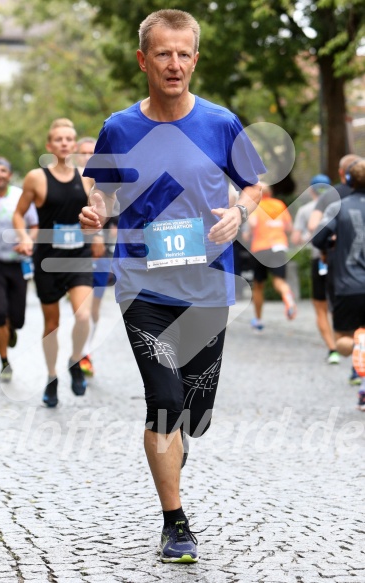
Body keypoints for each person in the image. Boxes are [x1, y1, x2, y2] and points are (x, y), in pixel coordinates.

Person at [79, 9, 265, 564]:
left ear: (195, 60)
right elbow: (102, 188)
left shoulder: (220, 123)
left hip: (208, 288)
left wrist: (239, 213)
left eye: (184, 53)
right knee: (163, 402)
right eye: (163, 53)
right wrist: (96, 210)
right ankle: (175, 522)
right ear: (144, 60)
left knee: (194, 413)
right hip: (144, 288)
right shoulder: (120, 127)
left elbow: (253, 184)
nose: (174, 64)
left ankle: (177, 443)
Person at [13, 118, 96, 407]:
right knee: (52, 325)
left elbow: (96, 214)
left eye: (68, 139)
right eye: (58, 139)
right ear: (49, 145)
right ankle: (51, 377)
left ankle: (75, 360)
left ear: (74, 145)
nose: (64, 143)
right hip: (48, 259)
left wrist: (96, 228)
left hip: (78, 257)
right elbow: (18, 214)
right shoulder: (36, 178)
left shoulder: (87, 177)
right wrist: (23, 237)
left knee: (83, 316)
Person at [0, 157, 38, 381]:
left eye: (3, 170)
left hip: (18, 263)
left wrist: (29, 241)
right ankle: (4, 361)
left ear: (9, 175)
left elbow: (34, 224)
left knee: (18, 319)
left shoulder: (20, 197)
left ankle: (11, 328)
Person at [312, 158, 365, 410]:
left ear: (347, 180)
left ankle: (359, 346)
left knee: (344, 340)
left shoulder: (340, 207)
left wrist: (331, 244)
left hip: (347, 285)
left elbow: (318, 239)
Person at [75, 137, 117, 377]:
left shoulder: (108, 183)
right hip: (74, 253)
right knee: (80, 306)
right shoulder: (71, 182)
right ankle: (79, 350)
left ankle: (86, 351)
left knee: (94, 307)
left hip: (101, 254)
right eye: (83, 153)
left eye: (92, 153)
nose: (87, 157)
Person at [291, 174, 340, 364]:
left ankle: (332, 349)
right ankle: (345, 341)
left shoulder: (305, 210)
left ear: (310, 190)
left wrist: (307, 236)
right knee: (338, 304)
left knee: (320, 308)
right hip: (337, 260)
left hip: (317, 259)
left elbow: (295, 239)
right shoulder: (339, 205)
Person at [244, 182, 296, 330]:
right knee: (279, 280)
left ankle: (258, 320)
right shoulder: (279, 205)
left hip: (260, 248)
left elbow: (252, 225)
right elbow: (289, 227)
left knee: (259, 285)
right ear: (270, 193)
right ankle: (288, 297)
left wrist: (248, 234)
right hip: (279, 247)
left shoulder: (255, 206)